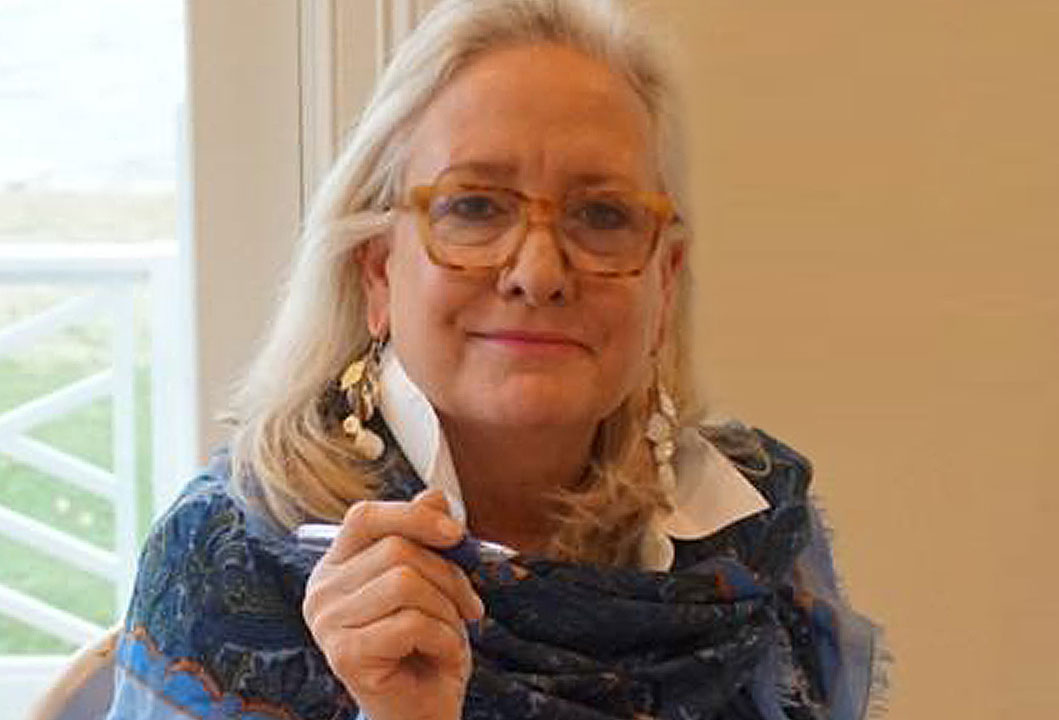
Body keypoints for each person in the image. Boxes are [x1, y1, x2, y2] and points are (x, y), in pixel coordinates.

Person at [105, 1, 886, 718]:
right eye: (476, 207)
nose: (539, 272)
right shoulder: (229, 558)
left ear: (664, 281)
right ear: (378, 270)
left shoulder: (759, 532)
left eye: (603, 215)